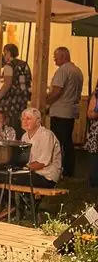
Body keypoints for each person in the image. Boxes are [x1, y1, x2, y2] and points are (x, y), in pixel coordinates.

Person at [46, 46, 83, 179]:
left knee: (58, 142)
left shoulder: (63, 71)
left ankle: (62, 168)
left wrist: (46, 102)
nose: (54, 59)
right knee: (67, 141)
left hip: (60, 112)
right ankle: (69, 169)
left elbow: (57, 91)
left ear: (63, 56)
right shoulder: (77, 70)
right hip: (70, 111)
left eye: (56, 56)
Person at [0, 42, 32, 135]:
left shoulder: (9, 66)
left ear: (8, 52)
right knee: (20, 124)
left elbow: (7, 84)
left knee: (10, 126)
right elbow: (26, 83)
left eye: (4, 53)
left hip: (11, 101)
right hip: (22, 100)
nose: (4, 55)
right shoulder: (24, 64)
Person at [87, 79, 98, 188]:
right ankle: (94, 181)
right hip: (96, 131)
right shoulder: (96, 96)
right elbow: (90, 114)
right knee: (95, 155)